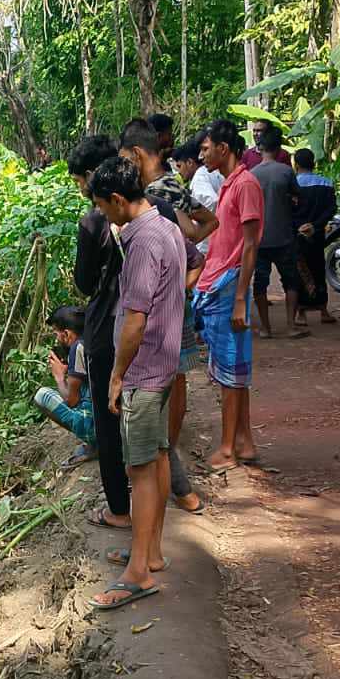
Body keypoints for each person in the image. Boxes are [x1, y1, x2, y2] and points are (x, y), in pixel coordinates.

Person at [86, 156, 187, 609]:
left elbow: (135, 318)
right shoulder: (166, 226)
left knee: (139, 470)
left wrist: (117, 374)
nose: (101, 215)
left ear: (117, 199)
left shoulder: (144, 240)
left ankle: (138, 573)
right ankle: (151, 552)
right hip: (164, 363)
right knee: (158, 457)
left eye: (102, 206)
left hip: (143, 371)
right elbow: (188, 270)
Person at [120, 119, 207, 512]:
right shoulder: (170, 195)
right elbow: (198, 235)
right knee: (174, 385)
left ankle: (174, 485)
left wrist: (172, 288)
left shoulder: (153, 205)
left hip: (152, 336)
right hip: (170, 317)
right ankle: (176, 479)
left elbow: (135, 316)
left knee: (150, 436)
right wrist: (180, 286)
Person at [68, 135, 137, 531]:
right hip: (145, 325)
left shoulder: (94, 221)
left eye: (81, 180)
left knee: (108, 420)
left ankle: (119, 509)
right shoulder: (150, 210)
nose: (81, 188)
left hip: (107, 327)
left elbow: (84, 282)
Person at [193, 119, 263, 469]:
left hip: (229, 285)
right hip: (219, 282)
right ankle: (244, 442)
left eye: (206, 148)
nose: (202, 155)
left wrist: (239, 298)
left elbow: (250, 245)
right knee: (232, 369)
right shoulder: (229, 184)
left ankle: (226, 449)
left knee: (230, 372)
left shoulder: (245, 185)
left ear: (223, 148)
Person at [249, 126, 309, 339]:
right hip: (283, 236)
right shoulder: (286, 172)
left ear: (260, 148)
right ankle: (291, 325)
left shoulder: (252, 175)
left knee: (260, 283)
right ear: (278, 148)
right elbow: (298, 197)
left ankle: (265, 328)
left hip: (259, 238)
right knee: (291, 281)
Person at [120, 118, 217, 244]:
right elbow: (211, 221)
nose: (122, 167)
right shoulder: (171, 185)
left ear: (136, 153)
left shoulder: (156, 193)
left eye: (125, 160)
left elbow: (203, 226)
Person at [32, 305, 96, 463]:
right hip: (112, 421)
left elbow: (71, 400)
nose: (57, 339)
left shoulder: (77, 348)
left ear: (66, 333)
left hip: (95, 425)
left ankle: (94, 442)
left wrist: (59, 376)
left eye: (56, 334)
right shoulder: (94, 339)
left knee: (41, 395)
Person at [292, 148, 337, 326]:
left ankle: (301, 313)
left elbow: (287, 210)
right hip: (317, 235)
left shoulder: (291, 184)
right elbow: (331, 209)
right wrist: (315, 225)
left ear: (296, 164)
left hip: (297, 235)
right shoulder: (326, 183)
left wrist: (299, 226)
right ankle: (323, 310)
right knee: (318, 269)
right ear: (314, 163)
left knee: (301, 271)